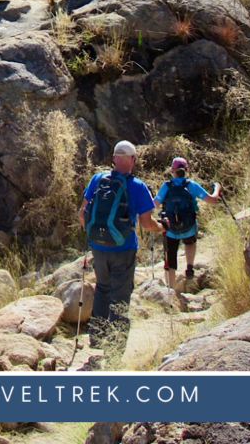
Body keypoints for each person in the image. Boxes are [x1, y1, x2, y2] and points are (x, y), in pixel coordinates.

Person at [79, 140, 167, 346]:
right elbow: (147, 224)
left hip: (98, 247)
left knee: (102, 287)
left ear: (113, 158)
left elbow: (82, 214)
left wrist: (93, 235)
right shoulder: (137, 186)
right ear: (133, 159)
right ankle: (116, 345)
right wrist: (164, 227)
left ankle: (97, 337)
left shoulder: (97, 179)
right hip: (124, 248)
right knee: (120, 294)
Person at [153, 157, 221, 289]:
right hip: (189, 227)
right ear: (187, 169)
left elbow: (153, 205)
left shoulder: (166, 186)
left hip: (170, 228)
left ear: (172, 170)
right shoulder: (192, 185)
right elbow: (213, 200)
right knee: (190, 241)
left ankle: (171, 289)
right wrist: (217, 188)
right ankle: (189, 269)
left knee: (170, 254)